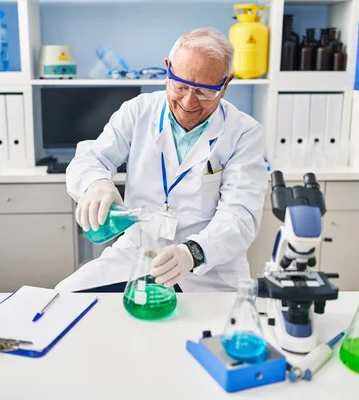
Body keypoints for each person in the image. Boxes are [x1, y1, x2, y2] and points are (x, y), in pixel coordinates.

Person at [55, 27, 268, 293]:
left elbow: (240, 215)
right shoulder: (139, 111)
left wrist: (193, 253)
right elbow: (92, 156)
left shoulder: (244, 133)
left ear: (224, 86)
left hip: (208, 270)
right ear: (168, 69)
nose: (189, 102)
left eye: (204, 92)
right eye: (181, 86)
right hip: (138, 251)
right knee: (64, 296)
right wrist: (96, 183)